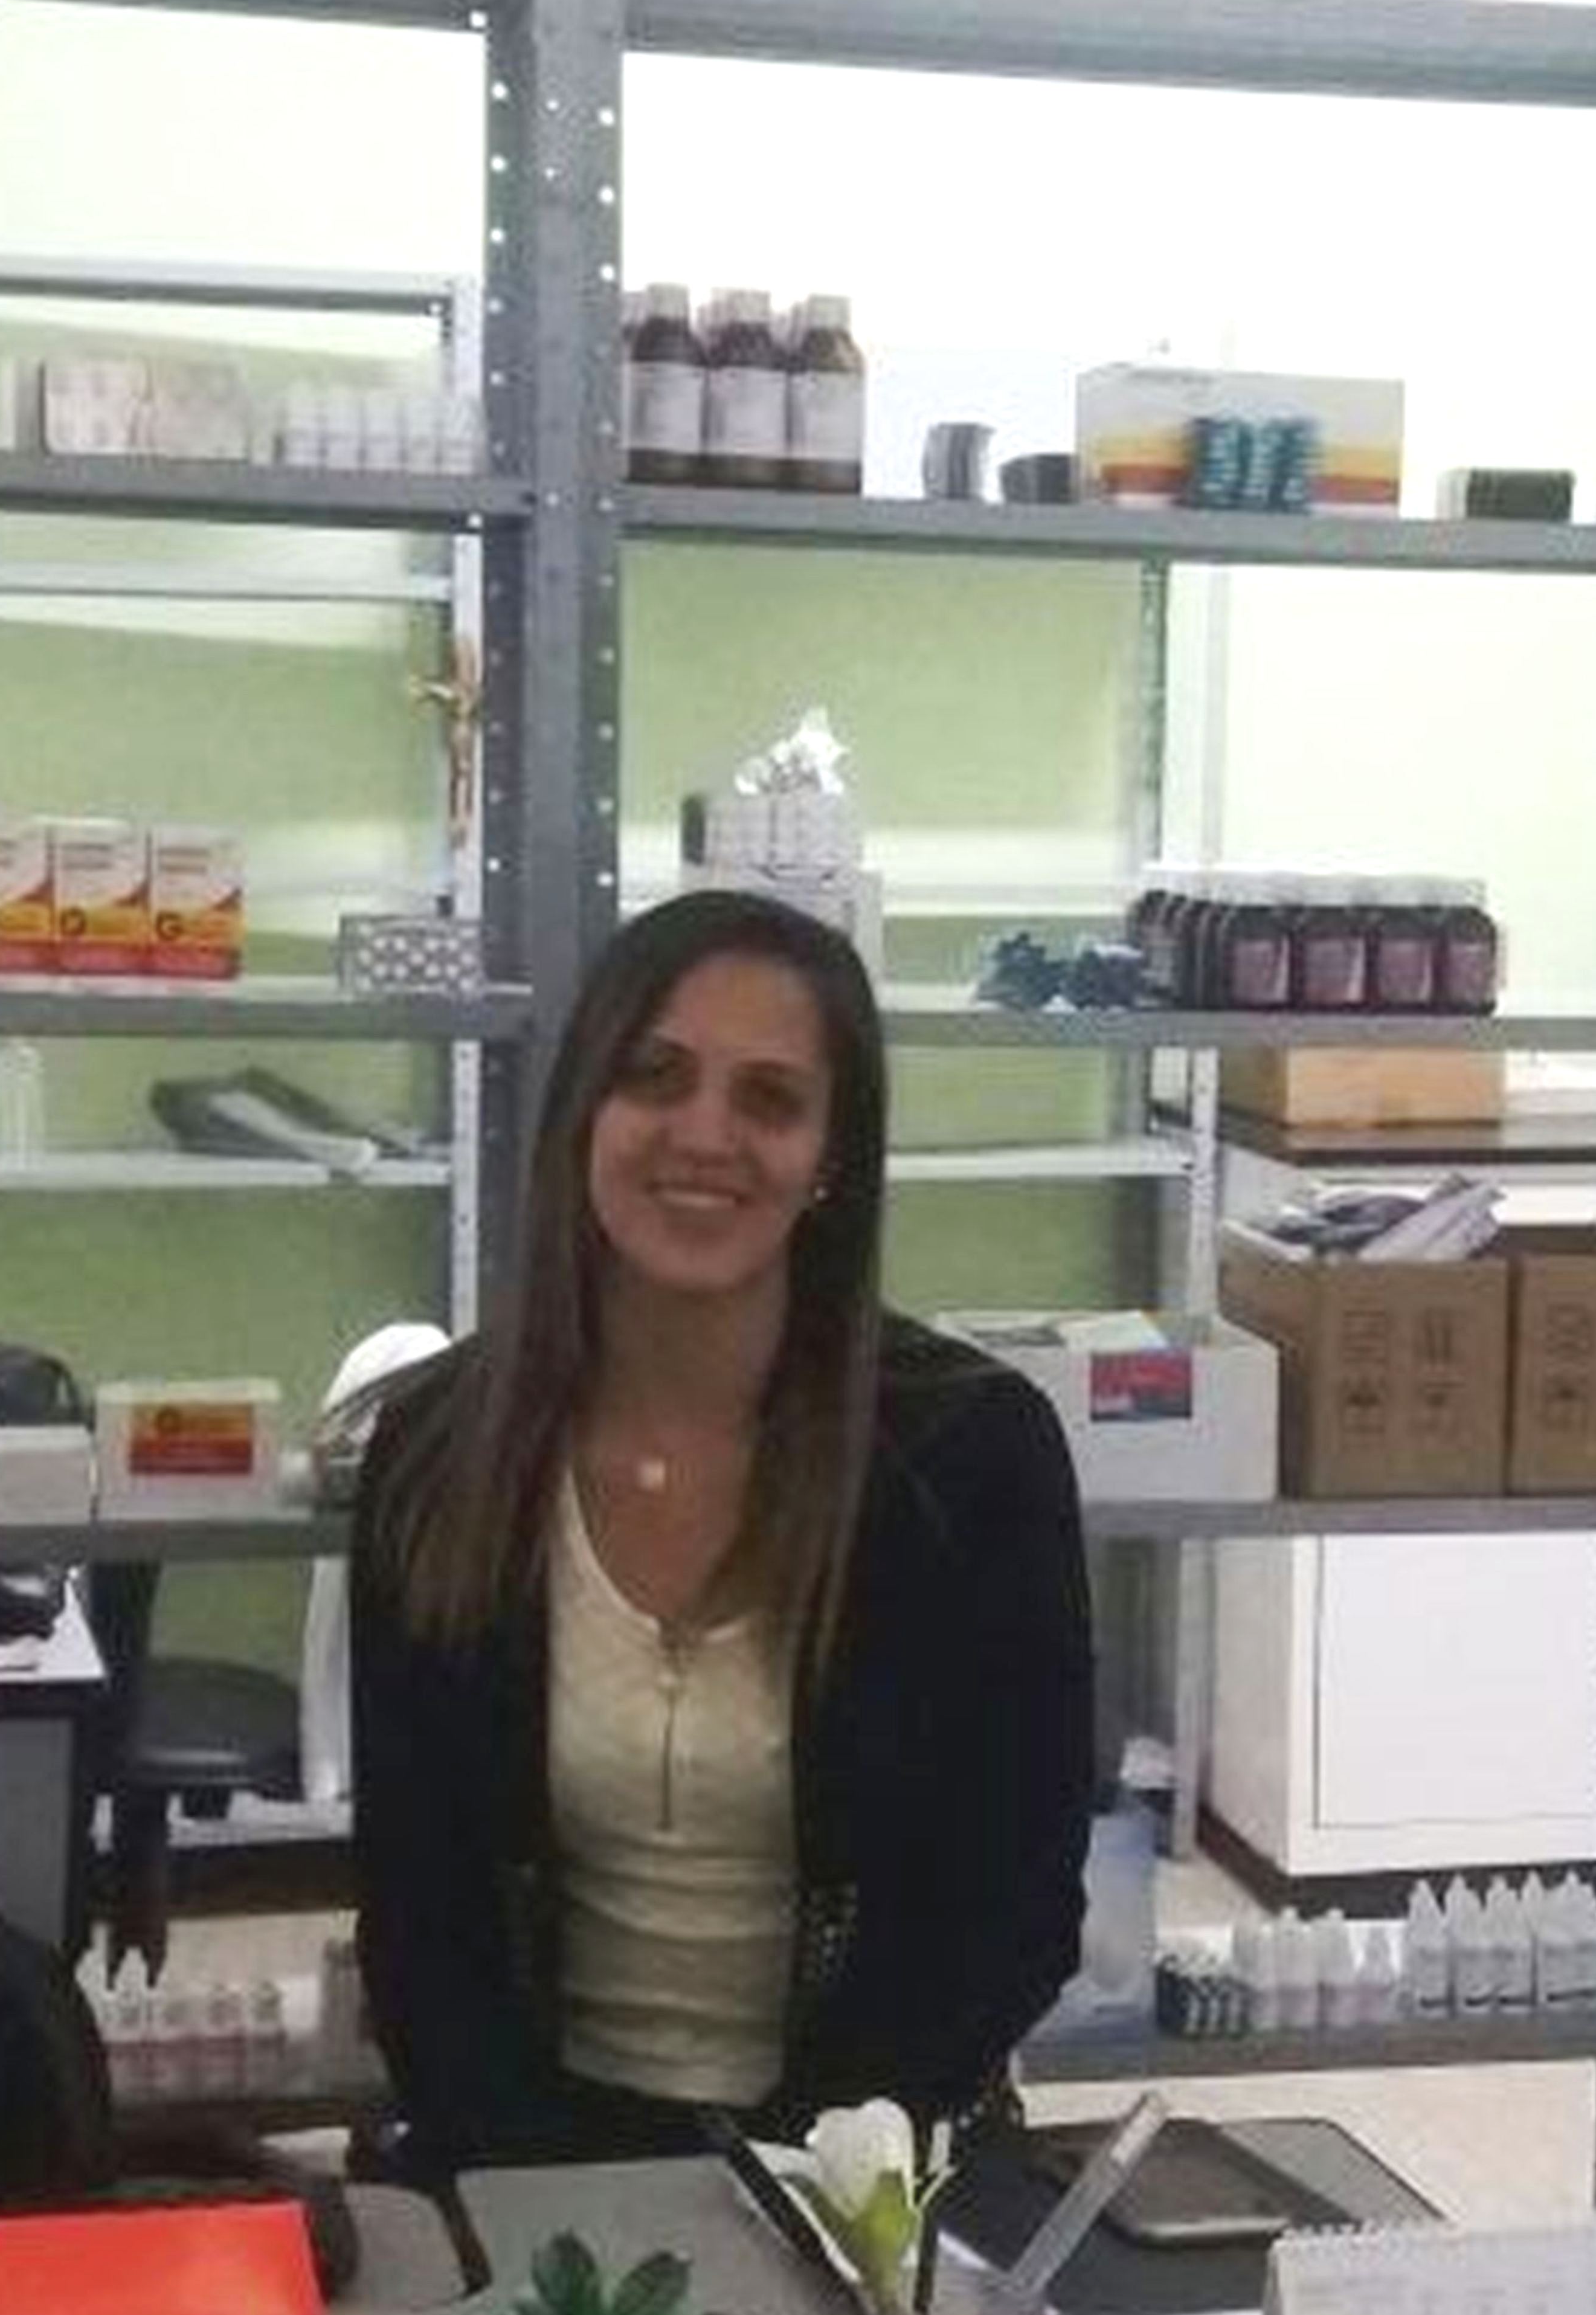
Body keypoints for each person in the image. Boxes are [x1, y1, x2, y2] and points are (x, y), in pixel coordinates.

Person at [345, 890, 1096, 2174]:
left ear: (831, 1157)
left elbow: (1014, 1908)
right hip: (529, 2164)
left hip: (863, 2167)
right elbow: (419, 1912)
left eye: (770, 1099)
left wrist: (807, 2183)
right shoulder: (439, 1449)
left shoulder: (972, 1457)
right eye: (654, 1077)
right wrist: (557, 2201)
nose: (704, 1135)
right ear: (582, 1113)